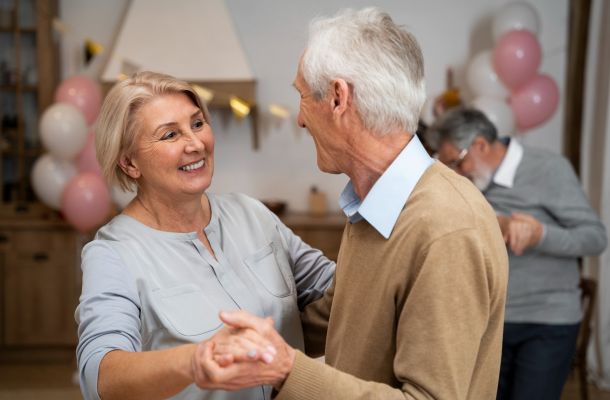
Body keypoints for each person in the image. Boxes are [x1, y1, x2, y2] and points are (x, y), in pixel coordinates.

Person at [192, 7, 509, 399]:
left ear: (339, 98)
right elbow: (347, 317)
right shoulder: (373, 206)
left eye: (302, 97)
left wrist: (288, 370)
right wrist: (237, 342)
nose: (299, 120)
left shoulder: (446, 228)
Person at [75, 71, 336, 400]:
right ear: (129, 163)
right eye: (170, 135)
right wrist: (195, 360)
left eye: (197, 124)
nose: (195, 144)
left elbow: (335, 287)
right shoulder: (112, 254)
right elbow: (100, 376)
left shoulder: (251, 213)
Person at [425, 107, 608, 400]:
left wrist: (540, 235)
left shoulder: (548, 168)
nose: (456, 174)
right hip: (487, 322)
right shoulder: (469, 183)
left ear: (480, 145)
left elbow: (595, 238)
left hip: (545, 320)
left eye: (457, 163)